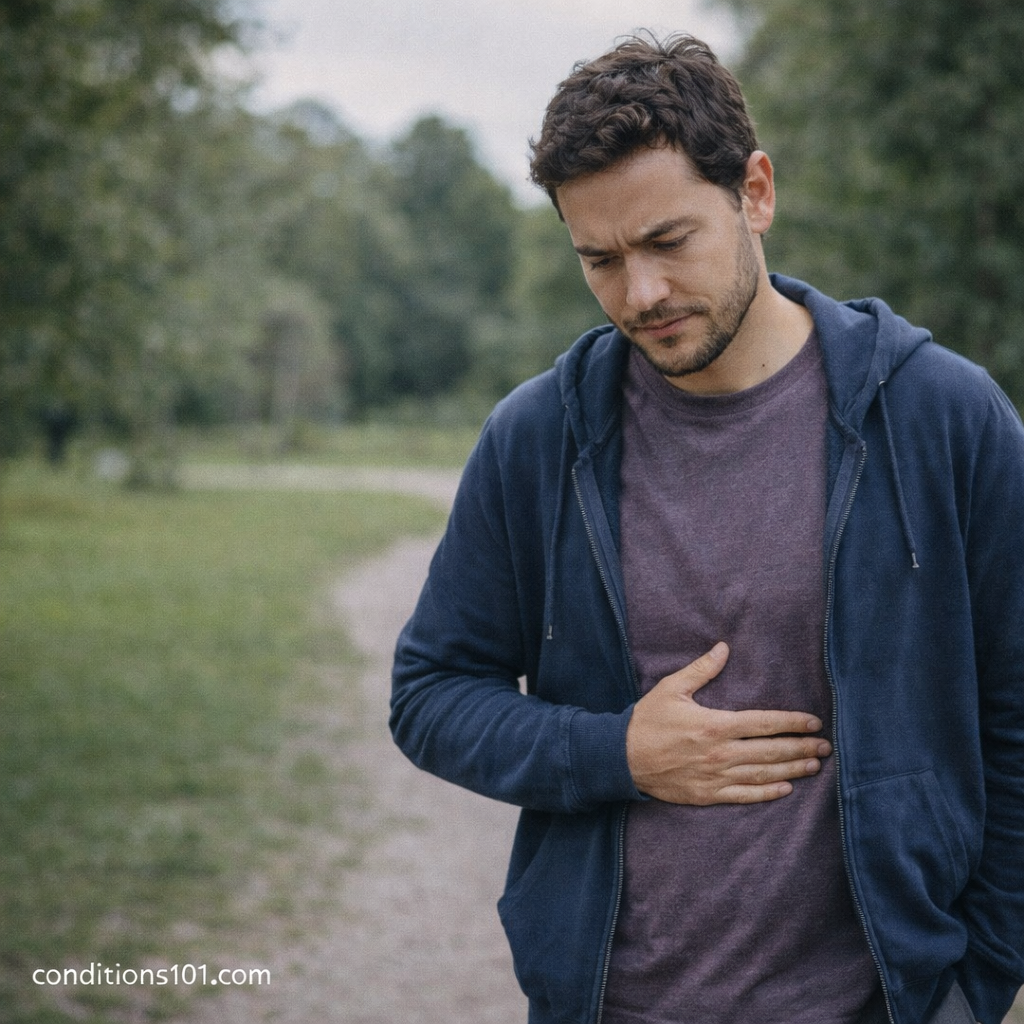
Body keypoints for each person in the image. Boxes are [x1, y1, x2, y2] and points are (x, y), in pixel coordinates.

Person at [390, 32, 1024, 1024]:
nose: (637, 294)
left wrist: (975, 986)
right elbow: (429, 694)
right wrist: (618, 754)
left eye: (666, 242)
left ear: (754, 193)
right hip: (614, 1003)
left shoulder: (943, 415)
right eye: (598, 259)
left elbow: (1015, 717)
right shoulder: (539, 437)